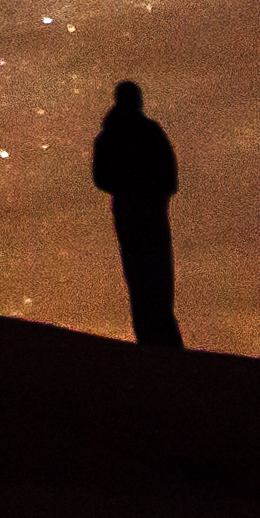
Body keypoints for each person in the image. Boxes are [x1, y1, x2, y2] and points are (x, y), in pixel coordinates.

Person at [89, 78, 183, 351]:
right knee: (154, 273)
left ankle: (152, 338)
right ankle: (160, 339)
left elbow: (101, 177)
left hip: (134, 210)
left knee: (141, 274)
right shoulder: (148, 132)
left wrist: (131, 189)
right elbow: (169, 174)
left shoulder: (111, 135)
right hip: (145, 211)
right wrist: (152, 192)